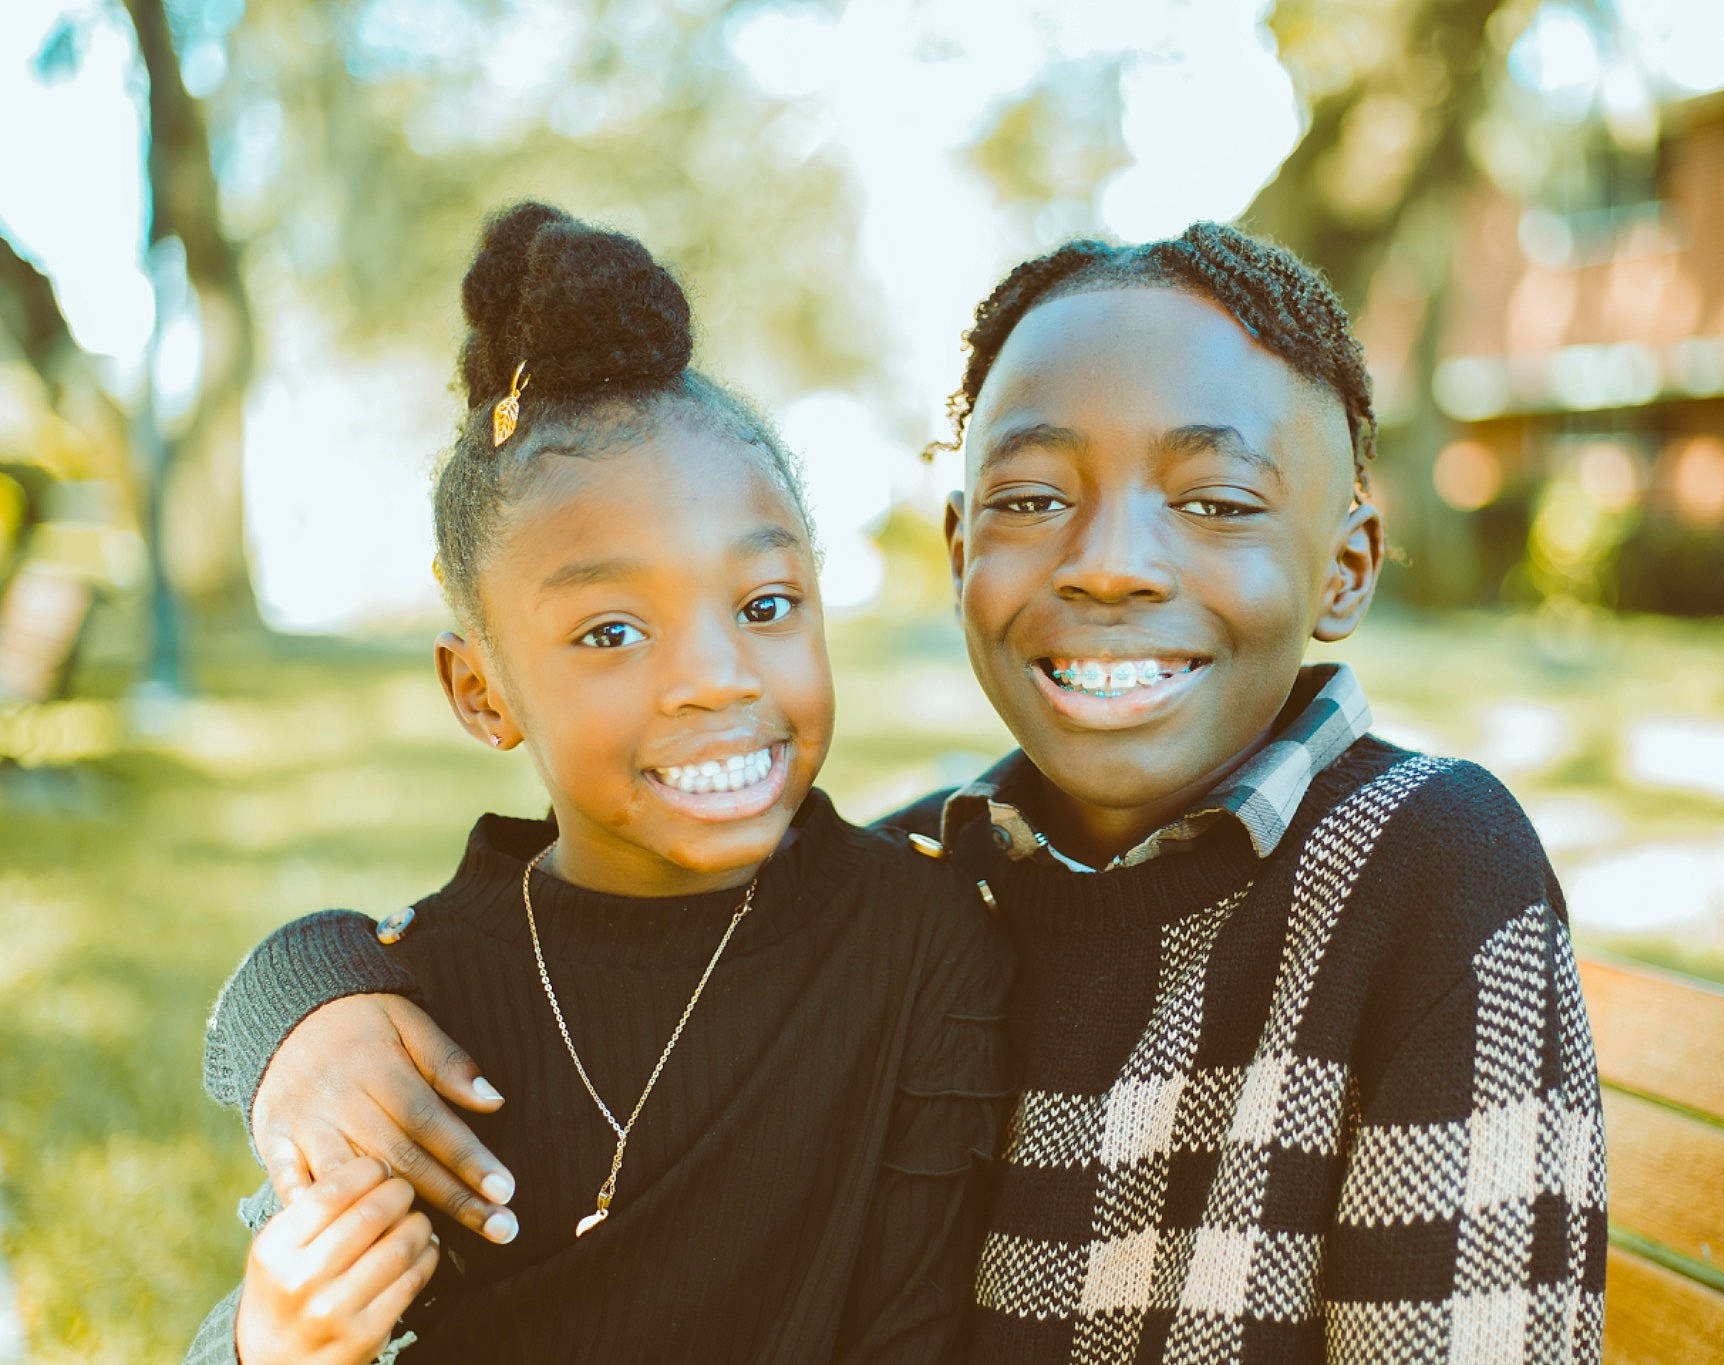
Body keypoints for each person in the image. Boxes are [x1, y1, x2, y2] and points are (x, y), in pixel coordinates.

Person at [201, 223, 1607, 1361]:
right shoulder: (945, 871)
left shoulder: (1421, 869)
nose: (1109, 565)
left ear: (1349, 566)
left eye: (1217, 500)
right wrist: (291, 1005)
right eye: (1033, 497)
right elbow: (558, 949)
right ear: (956, 547)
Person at [186, 202, 1012, 1365]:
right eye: (613, 631)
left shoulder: (919, 944)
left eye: (764, 606)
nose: (715, 679)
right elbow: (300, 1307)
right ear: (482, 692)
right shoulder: (403, 1014)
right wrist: (262, 1348)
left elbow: (914, 1327)